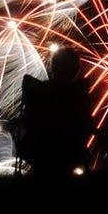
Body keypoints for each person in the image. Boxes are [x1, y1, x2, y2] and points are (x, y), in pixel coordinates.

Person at [19, 47, 92, 178]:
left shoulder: (37, 91)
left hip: (38, 150)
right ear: (74, 70)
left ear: (53, 67)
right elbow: (85, 124)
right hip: (68, 150)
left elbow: (27, 120)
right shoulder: (77, 94)